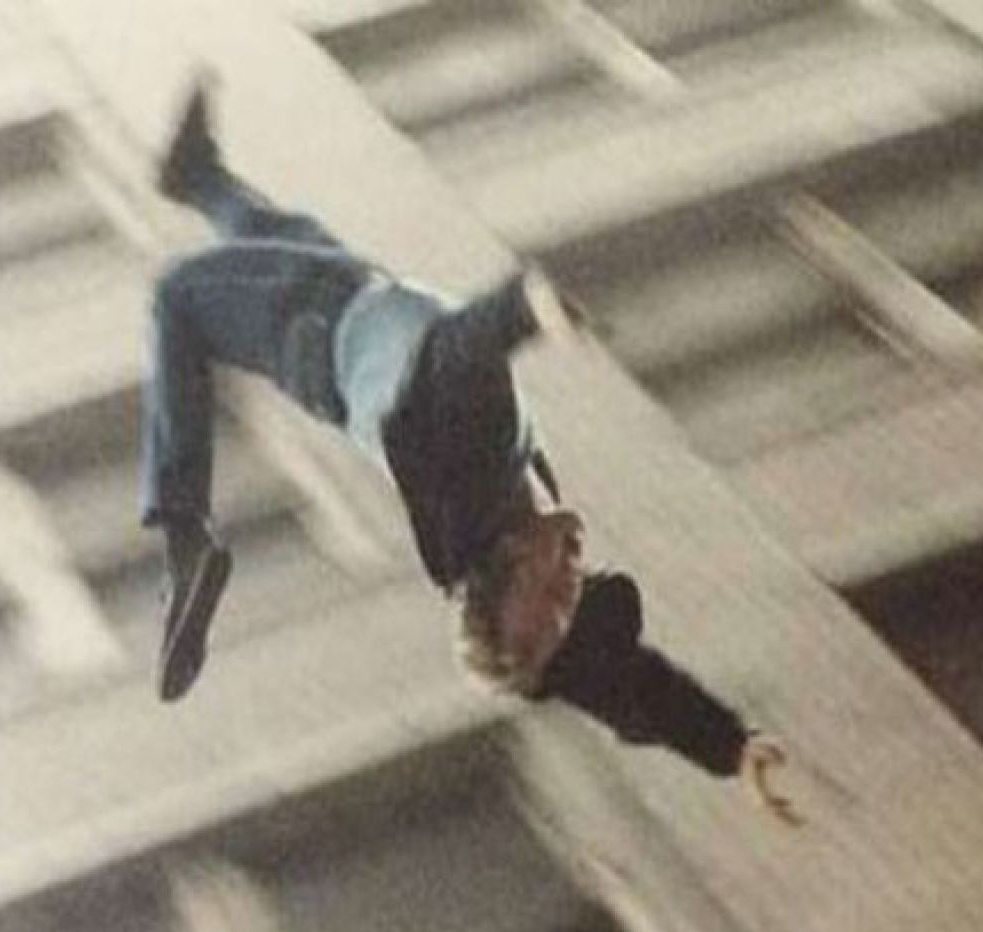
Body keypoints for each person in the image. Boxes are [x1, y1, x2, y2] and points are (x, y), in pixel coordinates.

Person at [142, 77, 798, 820]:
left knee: (178, 296)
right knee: (272, 232)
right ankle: (196, 175)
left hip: (313, 323)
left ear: (510, 556)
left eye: (551, 587)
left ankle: (182, 529)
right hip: (353, 303)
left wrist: (525, 310)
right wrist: (731, 746)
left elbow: (456, 357)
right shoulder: (520, 553)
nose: (574, 577)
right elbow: (620, 686)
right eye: (571, 598)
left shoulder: (466, 474)